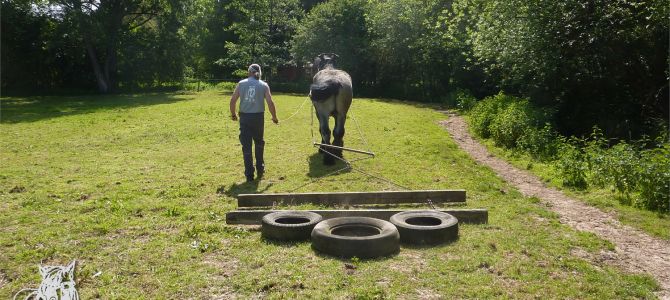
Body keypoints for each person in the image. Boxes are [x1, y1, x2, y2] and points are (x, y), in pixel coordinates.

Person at [230, 64, 279, 182]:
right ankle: (260, 169)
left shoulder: (241, 84)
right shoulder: (264, 85)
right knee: (259, 143)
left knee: (246, 146)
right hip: (258, 118)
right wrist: (274, 117)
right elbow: (270, 103)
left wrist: (233, 114)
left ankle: (249, 174)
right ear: (259, 72)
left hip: (245, 118)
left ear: (249, 72)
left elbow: (232, 101)